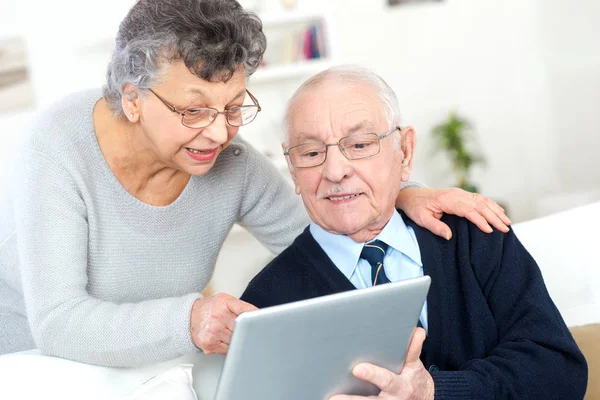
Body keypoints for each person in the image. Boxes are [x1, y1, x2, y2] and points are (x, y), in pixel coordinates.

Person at [0, 0, 509, 366]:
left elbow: (326, 222)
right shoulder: (56, 147)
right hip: (33, 369)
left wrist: (401, 189)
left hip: (155, 370)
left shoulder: (231, 164)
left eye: (234, 106)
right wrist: (191, 319)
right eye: (194, 109)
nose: (220, 133)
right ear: (132, 98)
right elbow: (58, 322)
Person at [240, 66, 588, 399]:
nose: (334, 171)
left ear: (404, 152)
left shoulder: (475, 237)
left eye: (359, 145)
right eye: (312, 152)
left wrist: (434, 392)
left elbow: (561, 372)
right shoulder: (267, 301)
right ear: (292, 168)